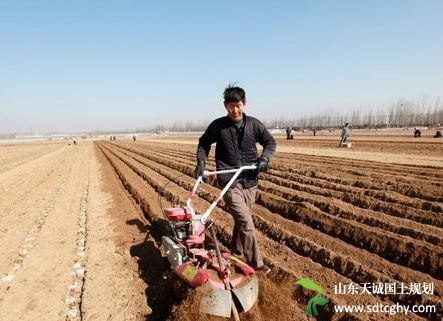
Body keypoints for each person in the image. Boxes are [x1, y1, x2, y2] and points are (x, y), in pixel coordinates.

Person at [195, 85, 276, 274]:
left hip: (250, 181)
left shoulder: (255, 125)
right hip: (229, 180)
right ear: (225, 106)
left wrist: (265, 158)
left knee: (242, 220)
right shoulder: (218, 126)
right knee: (246, 222)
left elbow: (270, 142)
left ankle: (237, 252)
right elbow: (203, 143)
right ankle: (257, 264)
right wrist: (200, 162)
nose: (235, 110)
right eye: (231, 106)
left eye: (238, 105)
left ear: (244, 104)